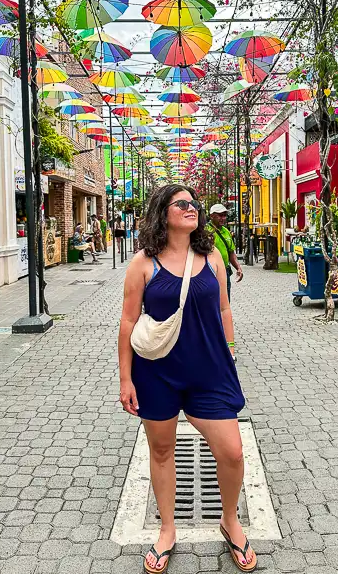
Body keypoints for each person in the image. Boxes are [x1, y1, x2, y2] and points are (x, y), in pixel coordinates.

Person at [118, 185, 257, 574]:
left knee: (232, 452)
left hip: (209, 372)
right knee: (161, 452)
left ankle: (229, 519)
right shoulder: (143, 263)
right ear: (163, 213)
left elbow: (225, 307)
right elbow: (128, 321)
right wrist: (125, 379)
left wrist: (229, 349)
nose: (191, 208)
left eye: (193, 203)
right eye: (182, 203)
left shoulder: (210, 255)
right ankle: (167, 529)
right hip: (156, 374)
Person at [206, 204, 243, 302]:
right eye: (220, 215)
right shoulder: (205, 231)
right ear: (212, 216)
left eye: (225, 215)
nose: (223, 218)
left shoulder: (226, 231)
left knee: (225, 300)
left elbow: (231, 252)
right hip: (210, 272)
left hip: (225, 271)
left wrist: (238, 268)